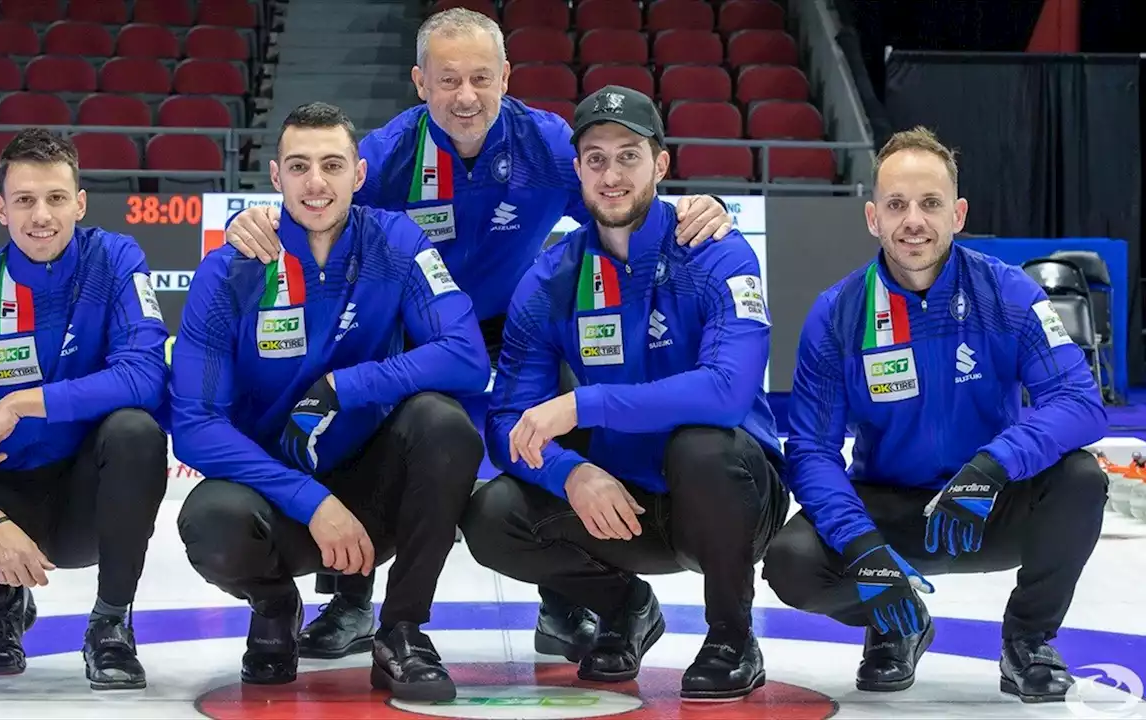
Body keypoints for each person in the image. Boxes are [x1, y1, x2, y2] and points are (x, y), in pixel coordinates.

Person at [222, 8, 736, 664]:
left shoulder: (547, 146)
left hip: (517, 329)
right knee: (368, 435)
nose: (465, 96)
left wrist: (695, 205)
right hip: (414, 333)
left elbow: (622, 202)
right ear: (419, 81)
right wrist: (259, 219)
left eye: (480, 79)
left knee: (565, 419)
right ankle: (350, 599)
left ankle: (567, 599)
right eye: (447, 80)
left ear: (506, 78)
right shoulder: (384, 156)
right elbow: (316, 198)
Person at [459, 86, 789, 700]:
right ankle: (624, 607)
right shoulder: (554, 274)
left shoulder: (718, 251)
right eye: (595, 159)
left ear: (660, 165)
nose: (612, 176)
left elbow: (726, 393)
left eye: (629, 156)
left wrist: (586, 403)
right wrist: (571, 475)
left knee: (703, 447)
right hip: (620, 503)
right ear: (578, 169)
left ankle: (731, 636)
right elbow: (509, 419)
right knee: (491, 515)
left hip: (730, 496)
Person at [762, 126, 1108, 702]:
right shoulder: (836, 313)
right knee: (790, 563)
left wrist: (994, 466)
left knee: (1081, 480)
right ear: (873, 218)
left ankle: (1027, 641)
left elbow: (1078, 401)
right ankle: (897, 623)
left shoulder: (1010, 294)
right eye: (896, 205)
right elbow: (812, 452)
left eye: (930, 203)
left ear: (958, 213)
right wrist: (861, 546)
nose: (913, 221)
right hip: (891, 509)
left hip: (986, 501)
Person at [171, 102, 490, 702]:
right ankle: (273, 604)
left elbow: (467, 356)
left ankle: (402, 630)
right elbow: (192, 425)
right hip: (276, 491)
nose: (316, 183)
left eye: (332, 165)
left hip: (374, 492)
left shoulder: (394, 241)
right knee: (212, 522)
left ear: (359, 174)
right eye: (299, 166)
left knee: (443, 426)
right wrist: (310, 500)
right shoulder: (230, 270)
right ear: (275, 176)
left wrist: (353, 384)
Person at [0, 128, 171, 690]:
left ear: (80, 203)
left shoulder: (116, 260)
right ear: (2, 209)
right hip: (3, 488)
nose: (40, 215)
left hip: (85, 498)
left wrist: (24, 402)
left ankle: (111, 626)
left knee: (136, 430)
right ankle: (2, 607)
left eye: (54, 198)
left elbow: (146, 375)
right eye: (24, 200)